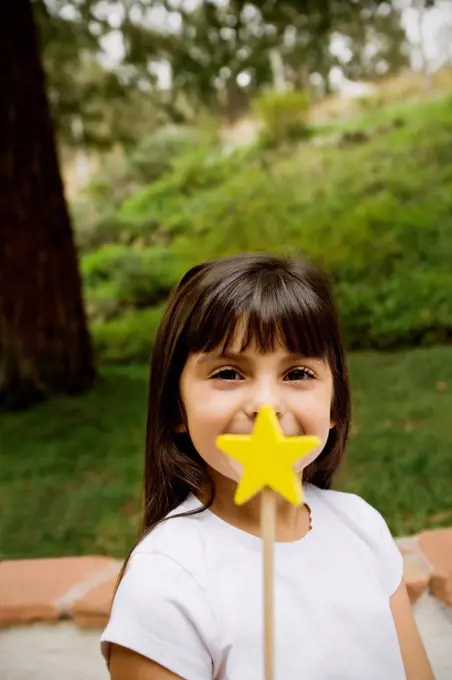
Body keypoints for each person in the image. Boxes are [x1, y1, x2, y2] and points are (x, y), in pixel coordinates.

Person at [101, 252, 434, 680]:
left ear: (335, 404)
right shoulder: (165, 583)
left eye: (297, 373)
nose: (266, 404)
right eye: (228, 373)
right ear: (175, 408)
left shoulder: (362, 527)